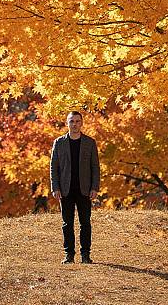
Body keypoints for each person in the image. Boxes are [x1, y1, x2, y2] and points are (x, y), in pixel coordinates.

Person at [50, 111, 100, 264]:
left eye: (78, 121)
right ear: (67, 123)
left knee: (85, 222)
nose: (75, 124)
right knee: (67, 223)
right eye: (72, 121)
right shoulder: (59, 143)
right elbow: (54, 167)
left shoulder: (90, 143)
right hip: (65, 190)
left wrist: (95, 187)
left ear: (82, 123)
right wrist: (55, 187)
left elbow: (95, 167)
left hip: (84, 189)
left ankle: (85, 255)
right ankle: (69, 255)